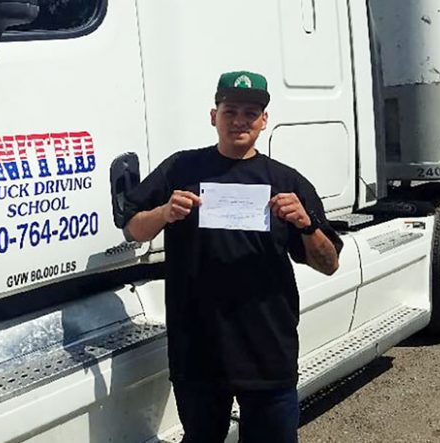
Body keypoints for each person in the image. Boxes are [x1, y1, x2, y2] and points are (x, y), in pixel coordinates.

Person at [123, 71, 343, 443]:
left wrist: (306, 225)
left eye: (250, 113)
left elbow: (329, 264)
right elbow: (133, 230)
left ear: (264, 120)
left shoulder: (286, 181)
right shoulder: (181, 169)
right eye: (230, 111)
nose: (239, 121)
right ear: (214, 116)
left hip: (267, 352)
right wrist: (163, 213)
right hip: (198, 351)